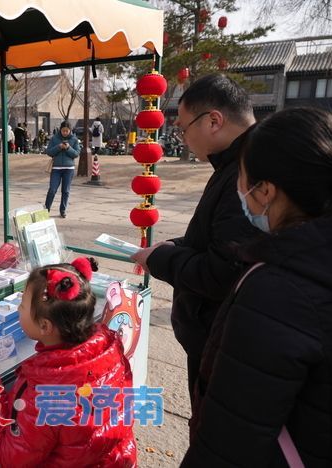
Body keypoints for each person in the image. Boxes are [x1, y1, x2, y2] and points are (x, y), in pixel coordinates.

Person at [182, 107, 332, 467]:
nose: (239, 189)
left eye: (242, 178)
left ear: (266, 191)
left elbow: (231, 438)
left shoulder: (276, 292)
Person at [130, 74, 259, 409]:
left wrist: (159, 260)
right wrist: (170, 246)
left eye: (184, 128)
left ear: (213, 120)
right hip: (219, 337)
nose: (183, 137)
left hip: (225, 342)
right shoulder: (235, 163)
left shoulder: (248, 172)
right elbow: (216, 238)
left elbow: (222, 270)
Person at [0, 257, 136, 467]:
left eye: (22, 305)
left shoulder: (46, 391)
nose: (18, 310)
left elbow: (11, 458)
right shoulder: (110, 350)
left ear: (45, 326)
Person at [45, 121, 79, 218]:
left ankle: (63, 210)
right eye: (63, 130)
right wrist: (59, 147)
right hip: (56, 168)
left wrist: (68, 148)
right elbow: (49, 152)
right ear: (60, 130)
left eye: (67, 131)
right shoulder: (54, 138)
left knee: (66, 191)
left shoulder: (74, 139)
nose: (65, 132)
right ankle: (46, 209)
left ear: (70, 130)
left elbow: (76, 154)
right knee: (52, 189)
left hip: (69, 169)